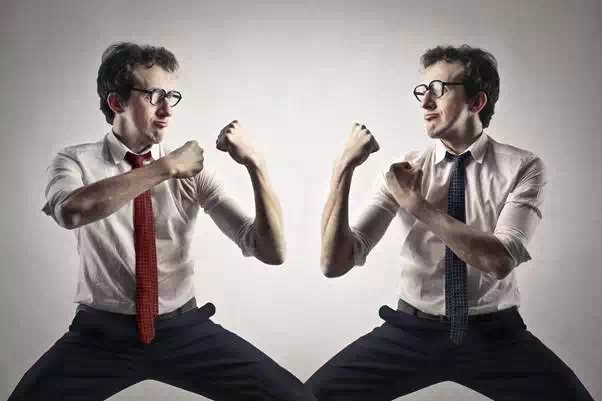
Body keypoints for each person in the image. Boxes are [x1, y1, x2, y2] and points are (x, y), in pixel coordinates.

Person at [9, 42, 317, 401]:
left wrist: (256, 166)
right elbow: (70, 212)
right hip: (100, 336)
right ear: (116, 102)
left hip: (183, 331)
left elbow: (269, 251)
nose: (167, 109)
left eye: (172, 95)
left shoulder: (192, 171)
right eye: (154, 95)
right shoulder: (75, 161)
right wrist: (164, 168)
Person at [307, 45, 594, 401]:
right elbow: (334, 264)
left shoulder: (523, 167)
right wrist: (343, 170)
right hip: (411, 331)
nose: (426, 102)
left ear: (476, 102)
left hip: (495, 336)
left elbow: (499, 260)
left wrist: (417, 205)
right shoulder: (402, 170)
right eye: (422, 91)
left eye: (439, 90)